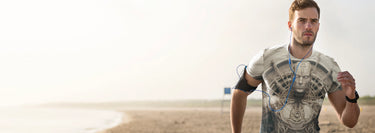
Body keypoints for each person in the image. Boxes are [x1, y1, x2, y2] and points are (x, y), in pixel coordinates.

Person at [230, 0, 360, 132]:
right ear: (290, 25)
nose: (308, 26)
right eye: (302, 20)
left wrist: (351, 97)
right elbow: (239, 92)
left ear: (318, 26)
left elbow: (349, 122)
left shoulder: (329, 66)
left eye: (313, 21)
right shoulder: (267, 58)